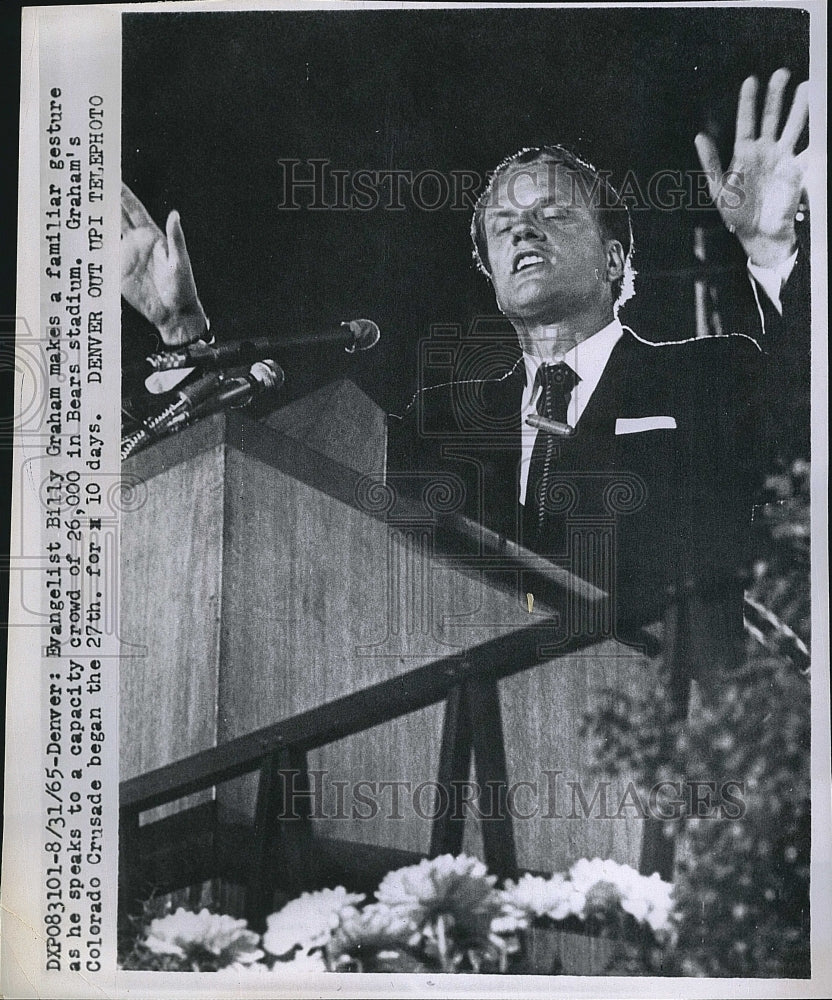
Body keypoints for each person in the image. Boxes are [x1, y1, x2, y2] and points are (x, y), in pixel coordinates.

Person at [121, 69, 810, 653]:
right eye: (505, 227)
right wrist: (185, 332)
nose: (524, 232)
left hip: (665, 749)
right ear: (491, 275)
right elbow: (297, 519)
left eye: (553, 214)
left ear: (613, 258)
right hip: (479, 756)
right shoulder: (438, 426)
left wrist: (775, 252)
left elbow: (806, 432)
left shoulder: (708, 377)